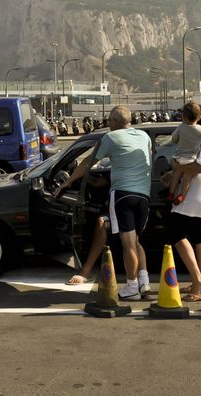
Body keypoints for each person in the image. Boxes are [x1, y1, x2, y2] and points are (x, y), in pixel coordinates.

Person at [63, 105, 152, 300]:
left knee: (127, 243)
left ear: (114, 122)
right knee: (136, 240)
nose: (108, 123)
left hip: (122, 195)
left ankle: (131, 287)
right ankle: (144, 283)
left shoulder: (110, 137)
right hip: (144, 196)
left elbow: (88, 162)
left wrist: (68, 182)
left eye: (109, 120)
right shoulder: (144, 137)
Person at [163, 108, 201, 301]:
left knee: (176, 233)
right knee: (198, 234)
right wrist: (175, 172)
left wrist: (176, 167)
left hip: (196, 192)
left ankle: (200, 281)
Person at [165, 101, 201, 205]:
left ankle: (171, 194)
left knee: (176, 175)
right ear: (199, 117)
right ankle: (182, 195)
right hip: (191, 160)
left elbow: (173, 139)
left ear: (183, 117)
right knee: (187, 177)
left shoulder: (181, 127)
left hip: (178, 158)